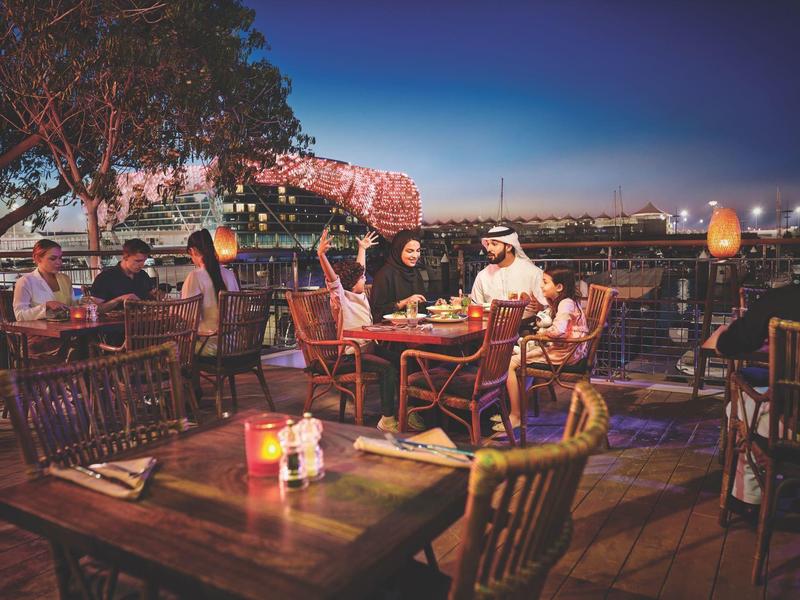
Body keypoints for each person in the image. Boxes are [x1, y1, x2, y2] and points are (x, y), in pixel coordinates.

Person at [317, 228, 425, 433]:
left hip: (368, 349)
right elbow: (334, 280)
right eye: (361, 279)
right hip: (351, 354)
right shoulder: (341, 298)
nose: (365, 279)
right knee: (388, 369)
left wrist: (362, 249)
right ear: (350, 283)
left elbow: (360, 268)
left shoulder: (360, 295)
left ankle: (408, 409)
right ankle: (387, 419)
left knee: (403, 358)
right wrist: (321, 255)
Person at [708, 284, 800, 507]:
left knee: (738, 405)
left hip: (792, 425)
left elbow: (732, 343)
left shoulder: (783, 298)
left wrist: (721, 338)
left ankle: (749, 497)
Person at [499, 266, 588, 432]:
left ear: (559, 287)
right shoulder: (566, 301)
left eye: (545, 282)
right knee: (516, 354)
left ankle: (516, 415)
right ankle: (515, 410)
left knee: (509, 364)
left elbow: (559, 330)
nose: (541, 285)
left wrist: (542, 334)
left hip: (565, 355)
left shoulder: (565, 303)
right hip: (569, 350)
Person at [182, 229, 239, 356]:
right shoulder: (229, 275)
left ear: (192, 251)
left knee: (173, 345)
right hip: (234, 343)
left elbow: (188, 316)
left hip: (211, 347)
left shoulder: (195, 276)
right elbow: (237, 309)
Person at [12, 239, 75, 356]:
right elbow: (19, 315)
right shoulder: (25, 282)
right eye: (53, 258)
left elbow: (72, 306)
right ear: (37, 258)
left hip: (66, 333)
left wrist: (84, 303)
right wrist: (45, 307)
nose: (59, 262)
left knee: (87, 341)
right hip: (39, 339)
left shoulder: (64, 279)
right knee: (82, 346)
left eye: (60, 258)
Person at [470, 225, 547, 319]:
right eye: (488, 244)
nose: (489, 249)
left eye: (494, 244)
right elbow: (475, 307)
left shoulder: (533, 273)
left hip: (525, 327)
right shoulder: (482, 276)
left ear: (509, 247)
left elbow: (548, 308)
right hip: (491, 327)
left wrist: (541, 307)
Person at [369, 229, 426, 324]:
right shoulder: (384, 275)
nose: (415, 256)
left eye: (418, 251)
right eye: (410, 251)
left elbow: (421, 308)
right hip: (391, 329)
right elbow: (377, 312)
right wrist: (404, 302)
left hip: (416, 327)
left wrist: (434, 305)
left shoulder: (415, 272)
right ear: (398, 250)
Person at [91, 238, 158, 313]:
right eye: (138, 261)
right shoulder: (105, 278)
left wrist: (157, 295)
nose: (141, 265)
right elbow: (95, 308)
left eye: (144, 261)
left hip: (142, 318)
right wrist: (119, 299)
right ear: (125, 257)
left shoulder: (143, 275)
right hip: (115, 320)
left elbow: (151, 298)